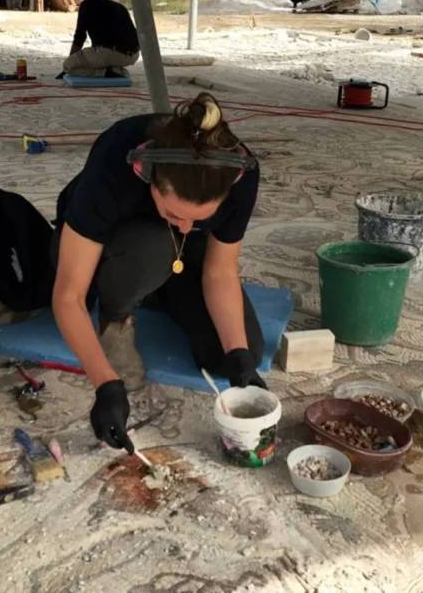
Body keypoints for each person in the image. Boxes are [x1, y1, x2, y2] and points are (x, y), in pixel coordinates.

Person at [52, 92, 266, 454]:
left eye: (198, 218)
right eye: (174, 213)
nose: (186, 226)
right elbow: (68, 295)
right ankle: (117, 318)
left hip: (176, 254)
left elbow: (220, 271)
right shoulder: (114, 162)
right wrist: (105, 384)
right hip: (114, 243)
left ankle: (160, 286)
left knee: (230, 358)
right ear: (145, 174)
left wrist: (238, 349)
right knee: (152, 249)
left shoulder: (240, 174)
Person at [61, 0, 140, 78]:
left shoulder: (86, 5)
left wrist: (71, 59)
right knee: (99, 54)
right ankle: (115, 70)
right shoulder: (119, 6)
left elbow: (79, 37)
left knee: (68, 66)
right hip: (134, 55)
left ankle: (104, 73)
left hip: (110, 53)